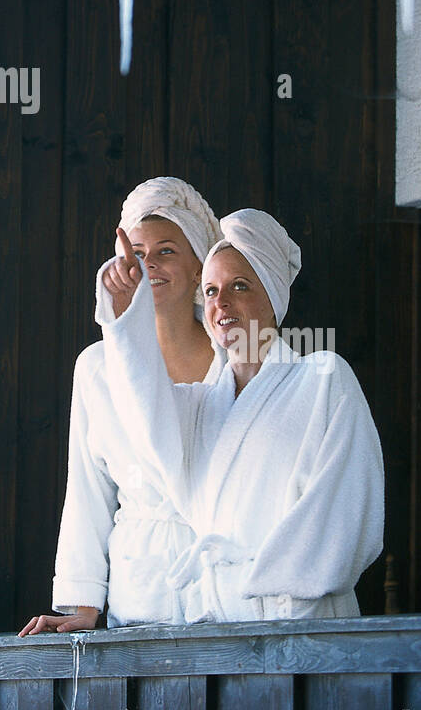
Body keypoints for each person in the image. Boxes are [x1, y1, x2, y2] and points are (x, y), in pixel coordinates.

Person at [95, 208, 384, 622]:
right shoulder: (199, 405)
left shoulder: (323, 379)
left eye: (240, 286)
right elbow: (141, 411)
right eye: (210, 291)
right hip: (219, 622)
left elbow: (346, 515)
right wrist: (125, 314)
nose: (221, 302)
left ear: (273, 298)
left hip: (299, 620)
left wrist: (276, 595)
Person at [19, 176, 222, 636]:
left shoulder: (234, 359)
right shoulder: (97, 367)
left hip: (224, 593)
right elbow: (87, 490)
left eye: (167, 250)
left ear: (199, 267)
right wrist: (83, 604)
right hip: (140, 594)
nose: (149, 264)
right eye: (137, 253)